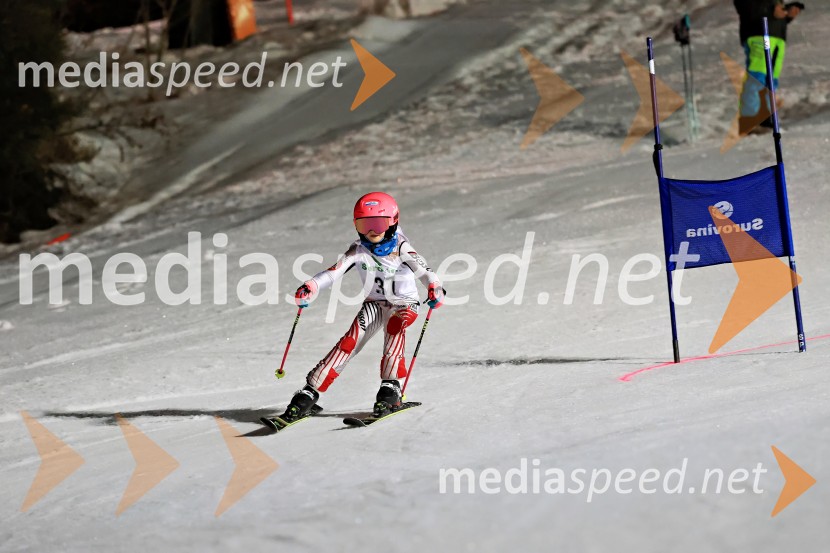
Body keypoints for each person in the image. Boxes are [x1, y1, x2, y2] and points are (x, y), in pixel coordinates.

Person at [277, 192, 444, 422]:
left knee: (396, 325)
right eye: (364, 225)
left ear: (393, 222)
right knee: (349, 341)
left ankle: (390, 388)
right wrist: (311, 286)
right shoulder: (358, 249)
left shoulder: (402, 248)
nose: (372, 231)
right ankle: (309, 392)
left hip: (405, 305)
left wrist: (435, 287)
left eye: (378, 223)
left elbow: (425, 271)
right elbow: (332, 272)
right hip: (374, 304)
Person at [735, 0, 802, 132]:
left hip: (777, 35)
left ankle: (766, 117)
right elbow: (746, 6)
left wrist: (787, 14)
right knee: (757, 76)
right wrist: (771, 10)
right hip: (758, 32)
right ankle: (750, 119)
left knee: (771, 79)